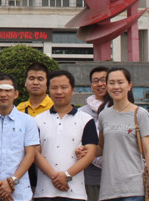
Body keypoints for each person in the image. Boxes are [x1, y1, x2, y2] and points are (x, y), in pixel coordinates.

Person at [96, 67, 149, 201]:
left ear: (129, 85)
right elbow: (101, 147)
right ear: (107, 86)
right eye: (112, 83)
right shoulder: (103, 115)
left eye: (120, 82)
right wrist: (84, 150)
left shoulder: (140, 114)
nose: (116, 87)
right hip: (109, 189)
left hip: (134, 188)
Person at [33, 70, 98, 201]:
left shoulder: (86, 120)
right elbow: (34, 153)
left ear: (72, 90)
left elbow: (90, 154)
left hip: (75, 194)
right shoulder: (37, 120)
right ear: (48, 90)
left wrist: (67, 175)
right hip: (44, 193)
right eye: (54, 88)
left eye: (64, 87)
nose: (59, 92)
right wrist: (55, 176)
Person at [16, 62, 53, 193]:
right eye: (31, 78)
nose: (35, 82)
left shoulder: (54, 107)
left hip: (50, 166)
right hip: (25, 169)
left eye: (40, 79)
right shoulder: (19, 109)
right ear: (25, 83)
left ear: (47, 83)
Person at [79, 66, 109, 201]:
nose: (100, 84)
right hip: (90, 177)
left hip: (118, 176)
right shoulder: (81, 113)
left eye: (104, 80)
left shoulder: (120, 109)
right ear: (91, 85)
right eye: (95, 81)